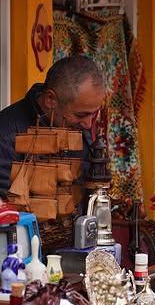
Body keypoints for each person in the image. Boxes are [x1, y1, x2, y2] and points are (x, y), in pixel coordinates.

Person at [0, 55, 105, 198]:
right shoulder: (6, 136)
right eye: (81, 115)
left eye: (94, 113)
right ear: (50, 99)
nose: (88, 124)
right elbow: (8, 211)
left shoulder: (78, 126)